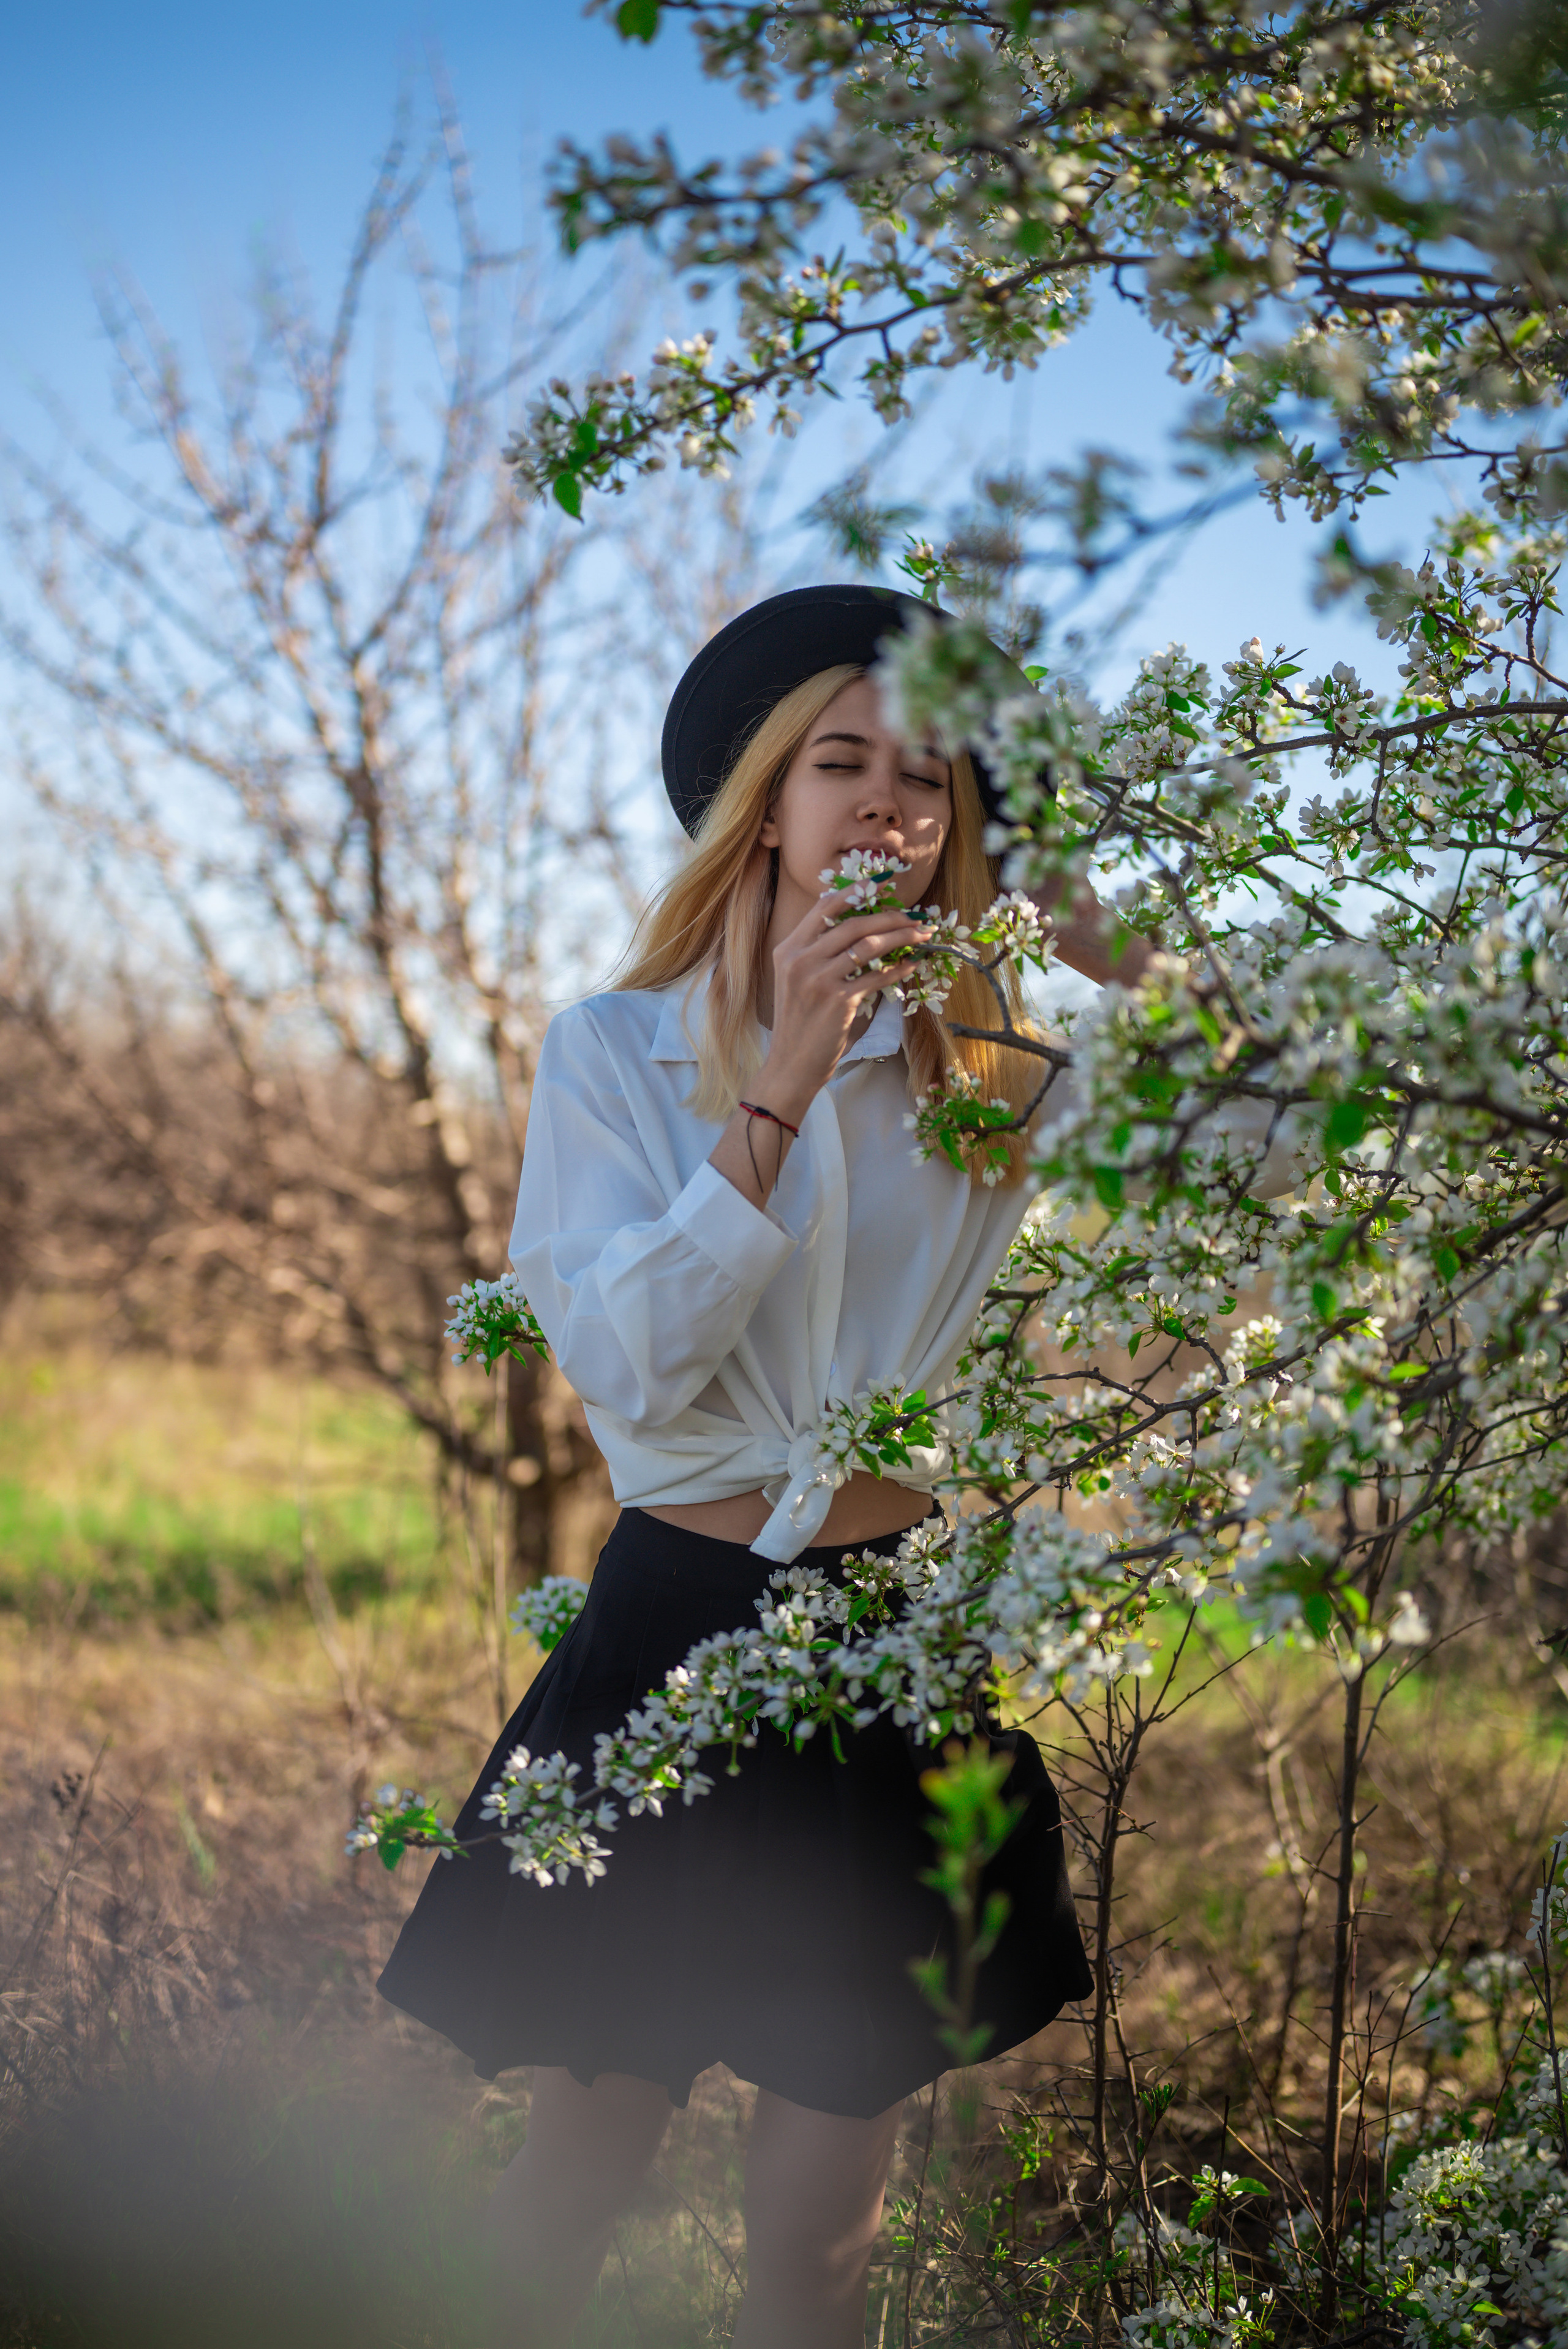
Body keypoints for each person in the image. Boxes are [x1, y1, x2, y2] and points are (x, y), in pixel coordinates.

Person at [378, 586, 1153, 2348]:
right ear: (766, 800)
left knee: (819, 2222)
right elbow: (633, 1367)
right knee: (584, 2154)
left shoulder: (995, 1072)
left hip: (886, 1634)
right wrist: (786, 1077)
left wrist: (1134, 952)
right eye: (843, 761)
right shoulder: (614, 1052)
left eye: (934, 778)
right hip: (676, 1623)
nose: (890, 803)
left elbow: (1299, 1098)